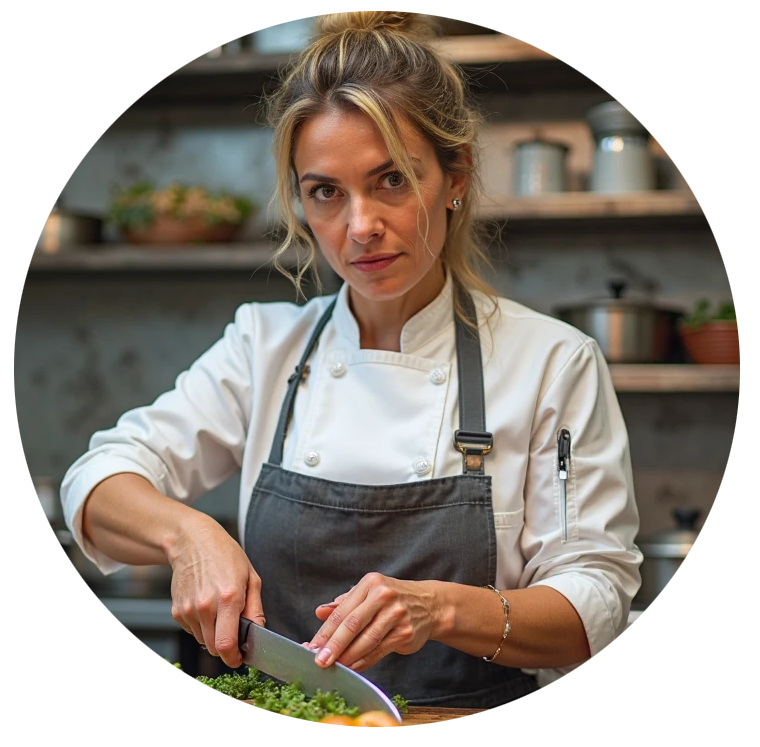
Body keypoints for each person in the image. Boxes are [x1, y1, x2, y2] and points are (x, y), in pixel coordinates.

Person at [60, 11, 642, 712]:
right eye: (326, 192)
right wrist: (188, 535)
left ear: (455, 176)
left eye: (391, 179)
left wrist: (439, 608)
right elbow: (96, 479)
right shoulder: (263, 346)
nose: (360, 226)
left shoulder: (552, 361)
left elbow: (593, 603)